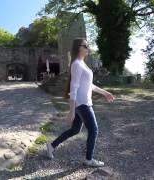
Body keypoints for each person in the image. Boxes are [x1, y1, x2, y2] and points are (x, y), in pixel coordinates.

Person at [46, 38, 116, 167]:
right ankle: (89, 159)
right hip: (82, 103)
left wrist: (105, 93)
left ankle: (51, 146)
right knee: (94, 130)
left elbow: (90, 85)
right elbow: (73, 88)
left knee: (75, 130)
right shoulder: (77, 64)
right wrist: (71, 110)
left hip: (82, 103)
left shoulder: (82, 64)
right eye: (86, 46)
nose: (88, 48)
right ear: (79, 47)